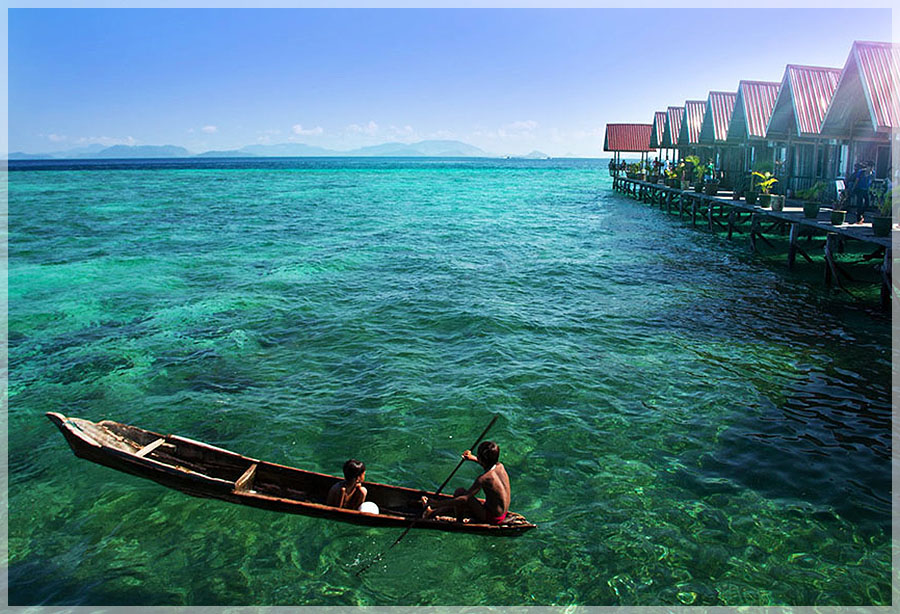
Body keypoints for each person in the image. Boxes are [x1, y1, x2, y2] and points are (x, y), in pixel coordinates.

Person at [421, 440, 510, 525]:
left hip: (493, 518)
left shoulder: (484, 478)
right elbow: (488, 464)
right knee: (459, 499)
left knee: (460, 493)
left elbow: (465, 498)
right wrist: (472, 458)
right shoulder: (500, 467)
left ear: (481, 459)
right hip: (503, 513)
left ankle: (457, 521)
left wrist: (437, 503)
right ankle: (437, 510)